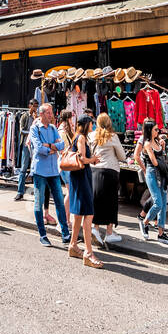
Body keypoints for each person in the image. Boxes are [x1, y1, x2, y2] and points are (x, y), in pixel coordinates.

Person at [27, 103, 71, 246]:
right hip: (40, 171)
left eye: (51, 112)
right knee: (39, 203)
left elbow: (61, 145)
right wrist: (52, 146)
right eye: (48, 113)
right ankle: (42, 235)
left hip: (53, 171)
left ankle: (65, 234)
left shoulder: (53, 128)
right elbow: (39, 148)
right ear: (41, 114)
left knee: (59, 201)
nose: (51, 115)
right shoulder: (35, 129)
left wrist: (50, 146)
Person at [64, 114, 103, 268]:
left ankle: (73, 245)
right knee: (88, 213)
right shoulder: (80, 138)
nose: (92, 126)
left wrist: (91, 159)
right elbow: (82, 159)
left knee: (79, 214)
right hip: (81, 178)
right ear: (86, 124)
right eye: (91, 123)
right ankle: (88, 253)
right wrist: (93, 159)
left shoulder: (78, 137)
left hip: (80, 177)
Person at [134, 119, 168, 244]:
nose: (158, 131)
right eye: (156, 129)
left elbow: (161, 157)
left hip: (161, 174)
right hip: (152, 173)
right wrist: (145, 168)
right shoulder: (147, 144)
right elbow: (155, 162)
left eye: (158, 129)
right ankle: (145, 222)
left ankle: (161, 233)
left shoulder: (157, 141)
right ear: (149, 130)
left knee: (163, 206)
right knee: (157, 203)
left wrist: (162, 147)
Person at [89, 113, 127, 246]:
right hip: (110, 171)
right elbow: (122, 156)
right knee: (111, 202)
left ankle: (95, 228)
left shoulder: (91, 136)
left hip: (94, 170)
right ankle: (109, 233)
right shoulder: (113, 136)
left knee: (97, 200)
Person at [12, 100, 39, 201]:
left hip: (36, 145)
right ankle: (20, 192)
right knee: (23, 168)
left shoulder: (37, 117)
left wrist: (37, 120)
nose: (35, 108)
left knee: (36, 169)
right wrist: (31, 132)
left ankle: (37, 192)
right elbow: (21, 130)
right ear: (29, 106)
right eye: (34, 105)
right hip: (26, 145)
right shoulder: (25, 116)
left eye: (37, 106)